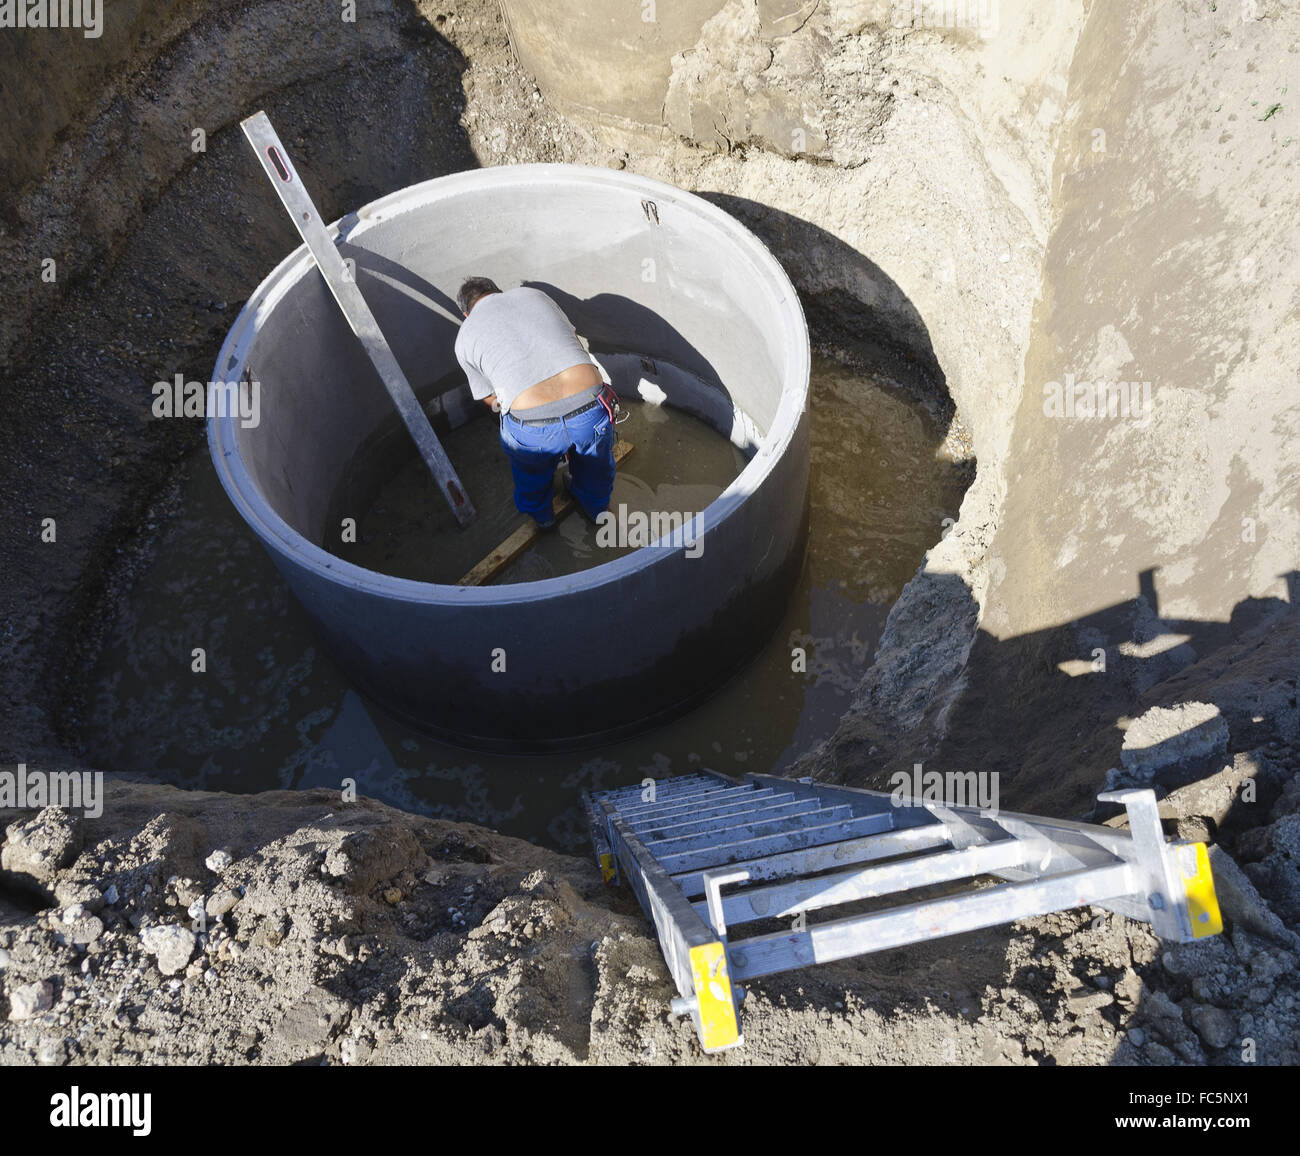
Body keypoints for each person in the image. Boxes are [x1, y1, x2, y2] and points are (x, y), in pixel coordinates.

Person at [453, 278, 618, 530]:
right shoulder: (534, 295)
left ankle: (543, 519)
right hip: (591, 405)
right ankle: (596, 510)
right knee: (596, 465)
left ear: (466, 313)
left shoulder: (465, 335)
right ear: (498, 291)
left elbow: (491, 400)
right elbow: (572, 340)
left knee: (530, 473)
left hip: (533, 425)